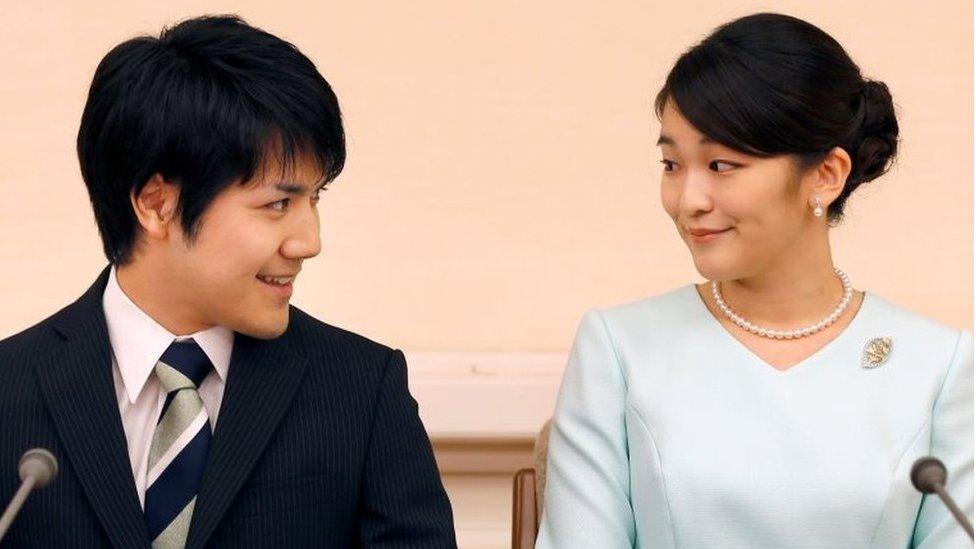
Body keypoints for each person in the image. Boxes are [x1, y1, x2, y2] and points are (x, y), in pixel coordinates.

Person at [0, 15, 456, 548]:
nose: (308, 241)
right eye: (277, 204)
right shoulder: (10, 392)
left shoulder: (361, 390)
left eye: (314, 200)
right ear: (157, 204)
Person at [537, 13, 972, 548]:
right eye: (672, 164)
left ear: (826, 175)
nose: (689, 200)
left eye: (722, 165)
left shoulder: (939, 365)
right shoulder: (619, 348)